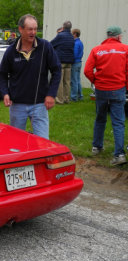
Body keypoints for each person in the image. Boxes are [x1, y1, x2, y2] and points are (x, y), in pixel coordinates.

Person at [0, 14, 61, 140]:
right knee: (16, 142)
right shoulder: (11, 51)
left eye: (35, 29)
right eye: (29, 29)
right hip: (17, 105)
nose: (33, 32)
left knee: (43, 142)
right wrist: (5, 93)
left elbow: (57, 70)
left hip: (39, 104)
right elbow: (2, 74)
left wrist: (51, 94)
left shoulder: (45, 47)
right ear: (21, 29)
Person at [84, 26, 128, 165]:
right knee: (118, 121)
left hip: (101, 89)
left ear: (108, 36)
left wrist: (95, 81)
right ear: (119, 36)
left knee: (100, 118)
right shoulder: (125, 49)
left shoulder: (97, 50)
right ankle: (119, 155)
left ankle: (97, 146)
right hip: (118, 88)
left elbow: (87, 70)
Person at [51, 21, 75, 104]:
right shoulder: (72, 37)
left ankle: (60, 99)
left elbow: (51, 44)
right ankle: (66, 99)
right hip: (69, 61)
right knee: (67, 81)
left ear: (63, 27)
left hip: (61, 60)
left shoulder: (60, 36)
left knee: (59, 80)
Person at [70, 29, 84, 101]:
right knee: (78, 80)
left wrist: (70, 60)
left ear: (75, 34)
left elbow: (74, 54)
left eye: (72, 34)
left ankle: (73, 97)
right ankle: (80, 96)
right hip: (79, 62)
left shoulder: (75, 43)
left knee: (74, 81)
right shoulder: (80, 42)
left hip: (75, 63)